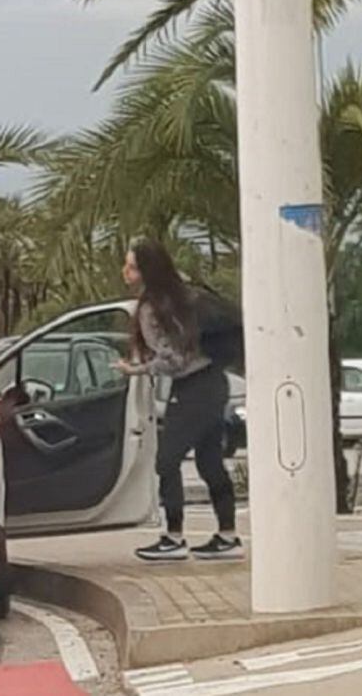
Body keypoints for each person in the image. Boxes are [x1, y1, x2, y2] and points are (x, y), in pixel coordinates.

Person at [113, 238, 243, 561]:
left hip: (192, 389)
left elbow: (173, 359)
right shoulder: (183, 296)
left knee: (167, 460)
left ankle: (173, 537)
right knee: (209, 461)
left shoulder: (152, 308)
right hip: (214, 383)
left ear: (146, 271)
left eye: (131, 266)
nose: (125, 271)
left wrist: (136, 369)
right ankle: (228, 536)